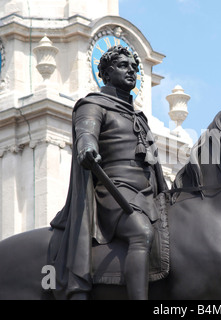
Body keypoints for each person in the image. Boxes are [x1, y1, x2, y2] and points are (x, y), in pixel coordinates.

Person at [48, 45, 168, 300]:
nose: (131, 72)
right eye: (123, 66)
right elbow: (86, 134)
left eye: (134, 68)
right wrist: (88, 149)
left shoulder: (139, 117)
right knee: (141, 233)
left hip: (147, 194)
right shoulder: (93, 105)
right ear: (106, 73)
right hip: (114, 193)